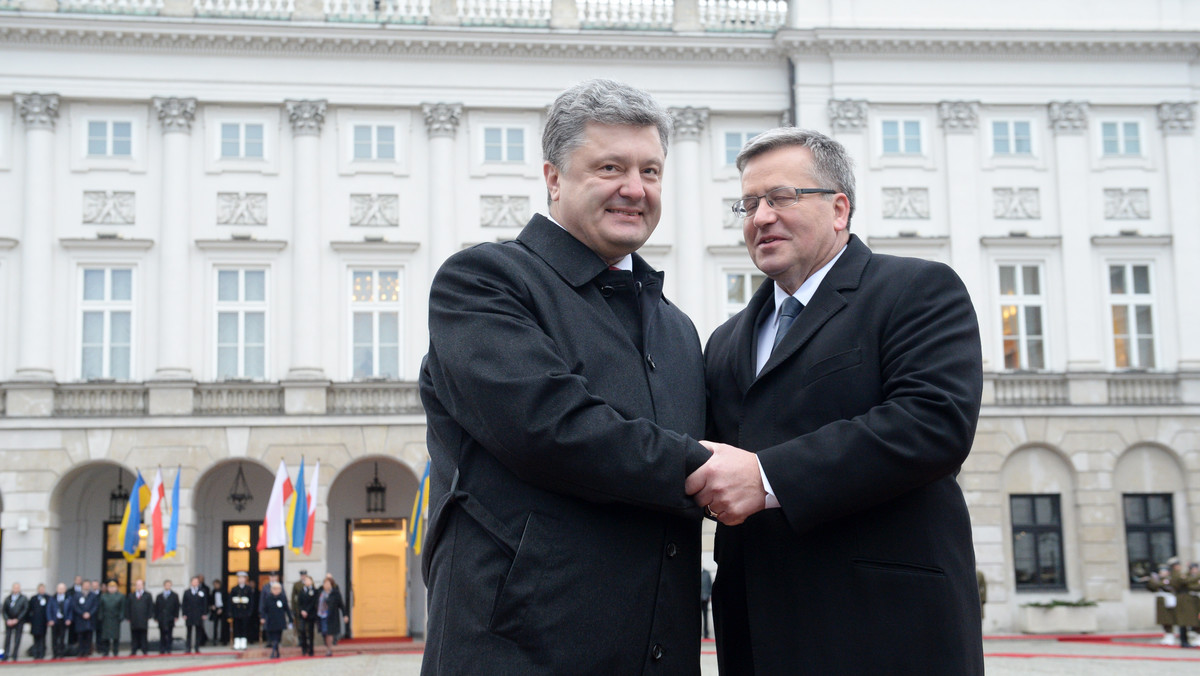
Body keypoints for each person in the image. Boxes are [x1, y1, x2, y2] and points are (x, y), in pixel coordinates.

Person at [419, 78, 708, 675]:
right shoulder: (483, 282)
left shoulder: (677, 329)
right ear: (554, 178)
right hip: (518, 654)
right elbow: (548, 427)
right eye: (610, 167)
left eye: (651, 172)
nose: (635, 189)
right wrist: (703, 467)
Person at [693, 127, 984, 674]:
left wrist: (766, 478)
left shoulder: (915, 289)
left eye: (780, 198)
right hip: (758, 635)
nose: (760, 218)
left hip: (885, 631)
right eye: (749, 204)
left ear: (839, 209)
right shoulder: (726, 339)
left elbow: (933, 423)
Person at [1169, 558, 1198, 648]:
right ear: (1175, 566)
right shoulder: (1177, 575)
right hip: (1183, 599)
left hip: (1183, 598)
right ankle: (1184, 641)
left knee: (1184, 621)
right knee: (1183, 621)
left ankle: (1185, 640)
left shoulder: (1178, 574)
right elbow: (1186, 581)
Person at [259, 582, 291, 659]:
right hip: (270, 620)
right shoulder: (268, 598)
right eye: (274, 589)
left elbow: (287, 609)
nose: (276, 590)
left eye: (278, 589)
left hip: (279, 620)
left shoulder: (282, 597)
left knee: (277, 637)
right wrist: (262, 617)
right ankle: (276, 651)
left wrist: (290, 619)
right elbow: (264, 609)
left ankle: (274, 651)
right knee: (272, 637)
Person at [316, 577, 347, 658]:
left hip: (331, 616)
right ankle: (327, 646)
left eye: (328, 583)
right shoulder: (320, 592)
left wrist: (345, 615)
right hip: (321, 616)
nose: (326, 585)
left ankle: (329, 649)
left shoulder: (335, 593)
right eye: (325, 583)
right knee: (324, 633)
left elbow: (341, 605)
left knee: (329, 632)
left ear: (331, 585)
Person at [96, 580, 126, 657]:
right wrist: (100, 617)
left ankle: (115, 651)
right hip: (106, 618)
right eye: (110, 587)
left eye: (113, 587)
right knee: (105, 636)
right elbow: (101, 608)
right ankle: (106, 651)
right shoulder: (103, 596)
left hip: (115, 618)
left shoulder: (120, 596)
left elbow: (122, 608)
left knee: (116, 636)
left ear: (116, 588)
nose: (112, 589)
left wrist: (121, 617)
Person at [127, 579, 155, 656]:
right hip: (134, 619)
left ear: (143, 586)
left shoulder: (147, 595)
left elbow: (150, 606)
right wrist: (128, 617)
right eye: (137, 585)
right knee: (134, 635)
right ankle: (134, 650)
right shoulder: (131, 595)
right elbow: (128, 607)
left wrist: (149, 616)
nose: (138, 586)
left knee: (143, 635)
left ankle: (144, 649)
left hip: (143, 618)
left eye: (140, 585)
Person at [181, 576, 207, 653]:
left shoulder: (202, 591)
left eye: (197, 582)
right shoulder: (187, 592)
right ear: (191, 582)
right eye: (194, 581)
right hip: (189, 614)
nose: (195, 583)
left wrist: (204, 613)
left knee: (198, 631)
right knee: (189, 632)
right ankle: (188, 647)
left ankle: (197, 647)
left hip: (198, 614)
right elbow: (184, 604)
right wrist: (184, 613)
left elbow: (204, 603)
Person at [3, 582, 28, 662]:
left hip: (18, 622)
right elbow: (4, 610)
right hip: (9, 622)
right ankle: (6, 654)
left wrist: (17, 619)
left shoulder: (23, 598)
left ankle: (15, 655)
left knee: (17, 639)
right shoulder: (8, 598)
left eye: (17, 588)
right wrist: (7, 619)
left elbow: (25, 610)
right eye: (14, 587)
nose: (16, 589)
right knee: (7, 638)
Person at [47, 582, 73, 658]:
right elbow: (49, 610)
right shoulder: (52, 598)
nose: (60, 590)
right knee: (54, 638)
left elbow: (71, 610)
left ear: (65, 590)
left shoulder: (68, 598)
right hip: (55, 620)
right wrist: (50, 619)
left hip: (63, 620)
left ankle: (61, 653)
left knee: (62, 637)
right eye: (59, 588)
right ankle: (55, 654)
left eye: (62, 588)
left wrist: (69, 619)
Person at [295, 574, 318, 657]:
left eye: (308, 580)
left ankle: (311, 649)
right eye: (305, 580)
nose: (307, 582)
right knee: (302, 630)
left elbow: (313, 602)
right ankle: (304, 647)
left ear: (311, 581)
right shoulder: (302, 591)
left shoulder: (314, 591)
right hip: (302, 614)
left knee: (311, 632)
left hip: (311, 614)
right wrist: (302, 611)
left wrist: (307, 611)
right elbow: (299, 602)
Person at [72, 580, 97, 657]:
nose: (87, 586)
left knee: (88, 636)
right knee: (80, 636)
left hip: (90, 619)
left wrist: (89, 613)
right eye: (85, 585)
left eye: (88, 585)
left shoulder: (93, 595)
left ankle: (87, 651)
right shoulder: (77, 595)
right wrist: (82, 613)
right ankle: (80, 651)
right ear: (82, 586)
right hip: (80, 619)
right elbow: (75, 606)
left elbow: (95, 606)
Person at [155, 580, 180, 654]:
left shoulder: (174, 595)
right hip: (161, 618)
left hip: (170, 617)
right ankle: (162, 648)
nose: (168, 586)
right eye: (166, 585)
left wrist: (176, 616)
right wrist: (156, 617)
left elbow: (177, 606)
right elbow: (156, 607)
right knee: (162, 634)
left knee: (169, 634)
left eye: (169, 585)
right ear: (164, 586)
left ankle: (169, 648)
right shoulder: (159, 596)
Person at [28, 583, 50, 660]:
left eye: (43, 589)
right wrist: (29, 620)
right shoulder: (33, 598)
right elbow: (29, 610)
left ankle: (42, 653)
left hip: (43, 622)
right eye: (40, 589)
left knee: (42, 638)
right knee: (36, 638)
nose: (41, 590)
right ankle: (36, 653)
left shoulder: (48, 598)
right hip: (35, 622)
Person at [210, 578, 228, 646]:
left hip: (222, 609)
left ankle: (224, 640)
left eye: (217, 584)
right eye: (214, 585)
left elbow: (226, 601)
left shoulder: (223, 591)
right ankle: (215, 640)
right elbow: (211, 600)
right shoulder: (213, 591)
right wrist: (212, 606)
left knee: (224, 626)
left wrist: (222, 609)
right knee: (215, 626)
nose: (216, 586)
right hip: (215, 609)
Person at [196, 575, 212, 647]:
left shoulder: (205, 588)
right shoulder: (193, 589)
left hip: (202, 611)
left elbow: (206, 600)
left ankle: (202, 639)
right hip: (194, 611)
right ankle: (202, 639)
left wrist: (205, 611)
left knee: (201, 625)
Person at [700, 569, 712, 640]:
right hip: (698, 598)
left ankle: (706, 633)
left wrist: (709, 595)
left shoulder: (707, 573)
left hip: (705, 598)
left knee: (705, 617)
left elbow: (710, 585)